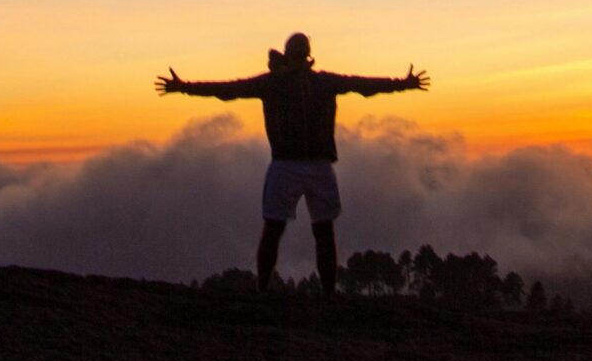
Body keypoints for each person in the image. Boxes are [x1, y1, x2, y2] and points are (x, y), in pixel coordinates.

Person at [156, 32, 428, 296]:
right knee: (323, 230)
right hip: (319, 165)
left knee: (274, 228)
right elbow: (364, 85)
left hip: (285, 165)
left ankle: (263, 289)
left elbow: (228, 90)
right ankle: (328, 294)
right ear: (308, 55)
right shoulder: (323, 82)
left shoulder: (272, 83)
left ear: (287, 56)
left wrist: (184, 87)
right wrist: (403, 83)